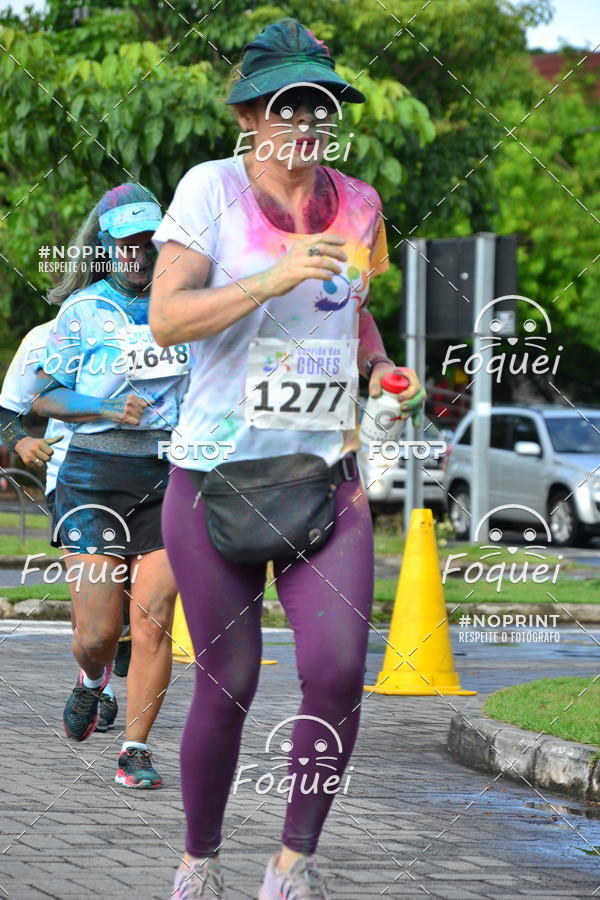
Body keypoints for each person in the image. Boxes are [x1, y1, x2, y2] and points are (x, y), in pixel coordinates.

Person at [150, 18, 425, 898]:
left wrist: (379, 364)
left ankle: (291, 867)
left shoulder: (360, 203)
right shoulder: (208, 191)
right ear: (249, 113)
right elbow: (168, 317)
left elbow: (352, 312)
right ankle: (200, 860)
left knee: (341, 669)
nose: (305, 119)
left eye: (321, 102)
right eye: (285, 103)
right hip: (214, 479)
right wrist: (272, 276)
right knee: (226, 682)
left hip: (324, 478)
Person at [32, 183, 188, 788]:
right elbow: (44, 393)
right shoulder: (83, 312)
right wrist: (99, 407)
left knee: (151, 620)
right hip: (94, 473)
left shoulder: (188, 307)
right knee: (98, 634)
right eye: (124, 245)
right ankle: (92, 678)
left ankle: (134, 749)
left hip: (171, 475)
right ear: (105, 248)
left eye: (148, 243)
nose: (137, 255)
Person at [0, 322, 130, 731]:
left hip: (156, 477)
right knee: (92, 588)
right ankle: (96, 682)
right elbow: (8, 410)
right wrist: (21, 442)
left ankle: (121, 632)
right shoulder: (43, 336)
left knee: (137, 597)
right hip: (75, 479)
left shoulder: (161, 323)